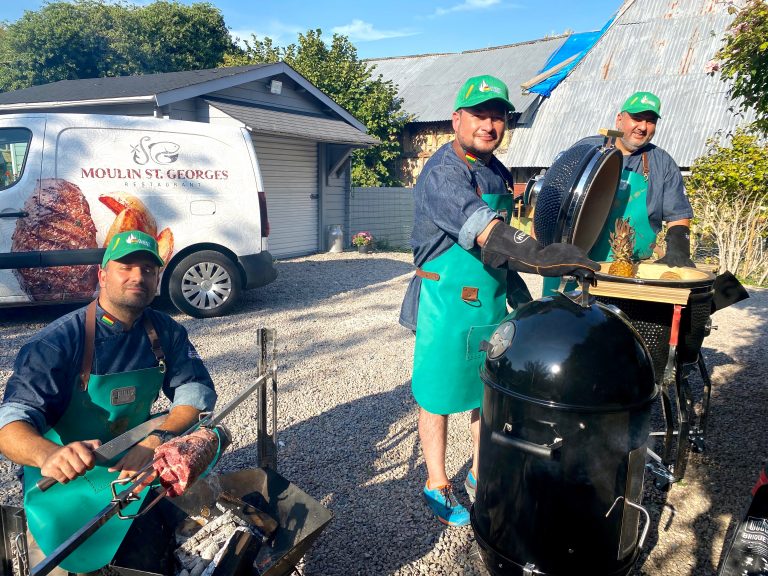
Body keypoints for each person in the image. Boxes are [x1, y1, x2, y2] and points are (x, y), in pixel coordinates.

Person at [399, 74, 598, 526]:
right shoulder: (443, 172)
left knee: (483, 390)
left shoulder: (499, 172)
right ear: (457, 119)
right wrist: (541, 257)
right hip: (445, 302)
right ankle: (435, 482)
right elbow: (486, 230)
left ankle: (479, 472)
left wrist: (521, 291)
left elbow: (502, 246)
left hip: (488, 298)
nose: (489, 124)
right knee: (436, 395)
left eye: (498, 116)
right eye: (480, 114)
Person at [0, 229, 217, 574]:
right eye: (125, 267)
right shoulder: (56, 343)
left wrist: (155, 440)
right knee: (73, 560)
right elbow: (11, 423)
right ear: (102, 275)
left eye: (148, 269)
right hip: (65, 482)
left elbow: (194, 391)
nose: (138, 277)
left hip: (137, 466)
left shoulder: (166, 332)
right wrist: (49, 454)